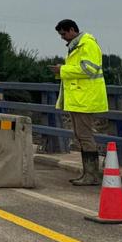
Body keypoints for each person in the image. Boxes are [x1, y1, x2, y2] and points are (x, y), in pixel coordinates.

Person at [51, 19, 108, 185]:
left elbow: (89, 69)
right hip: (78, 98)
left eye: (63, 34)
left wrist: (63, 69)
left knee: (85, 135)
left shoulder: (87, 44)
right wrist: (61, 71)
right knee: (80, 135)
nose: (62, 38)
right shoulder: (76, 46)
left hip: (86, 98)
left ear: (71, 30)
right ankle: (87, 174)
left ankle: (91, 175)